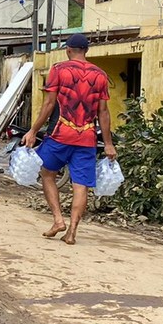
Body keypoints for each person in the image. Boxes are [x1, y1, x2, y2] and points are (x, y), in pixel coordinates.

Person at [21, 33, 116, 245]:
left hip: (61, 133)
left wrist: (33, 130)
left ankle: (58, 220)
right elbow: (104, 113)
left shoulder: (59, 69)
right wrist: (108, 143)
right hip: (87, 137)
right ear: (87, 51)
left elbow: (49, 105)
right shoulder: (100, 75)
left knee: (47, 173)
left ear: (68, 50)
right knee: (81, 185)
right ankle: (72, 231)